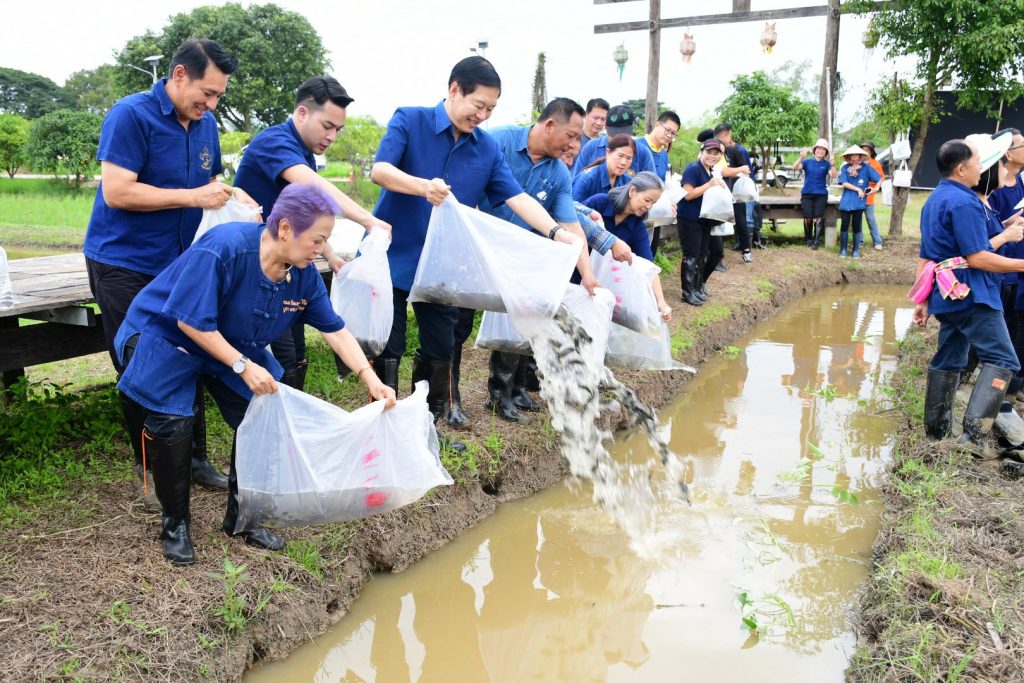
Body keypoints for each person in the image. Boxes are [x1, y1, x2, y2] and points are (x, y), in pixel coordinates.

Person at [114, 183, 397, 565]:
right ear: (284, 229)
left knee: (262, 413)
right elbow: (192, 323)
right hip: (169, 334)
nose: (322, 249)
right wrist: (243, 366)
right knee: (174, 424)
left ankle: (242, 518)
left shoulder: (303, 274)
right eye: (317, 240)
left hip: (228, 340)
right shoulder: (225, 249)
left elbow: (334, 328)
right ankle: (175, 524)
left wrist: (370, 378)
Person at [369, 57, 584, 451]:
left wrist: (555, 232)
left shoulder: (485, 147)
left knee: (440, 347)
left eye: (491, 110)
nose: (483, 116)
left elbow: (516, 197)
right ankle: (383, 433)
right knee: (389, 346)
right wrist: (421, 187)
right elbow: (380, 171)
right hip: (394, 256)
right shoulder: (410, 120)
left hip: (443, 267)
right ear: (454, 90)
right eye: (478, 106)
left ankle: (425, 430)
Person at [84, 39, 255, 503]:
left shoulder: (205, 125)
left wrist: (230, 195)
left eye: (219, 95)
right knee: (141, 362)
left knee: (189, 350)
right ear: (179, 74)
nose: (212, 103)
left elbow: (209, 183)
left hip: (179, 262)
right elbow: (117, 191)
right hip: (124, 262)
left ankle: (193, 460)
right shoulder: (130, 115)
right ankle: (151, 474)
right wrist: (194, 197)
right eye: (208, 92)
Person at [232, 76, 392, 390]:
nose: (332, 136)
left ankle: (290, 412)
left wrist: (330, 255)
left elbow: (308, 213)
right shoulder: (274, 142)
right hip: (253, 263)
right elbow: (313, 188)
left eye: (338, 130)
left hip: (286, 262)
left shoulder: (304, 153)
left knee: (296, 349)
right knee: (282, 350)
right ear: (303, 113)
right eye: (327, 126)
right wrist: (367, 220)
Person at [456, 97, 599, 424]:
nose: (575, 145)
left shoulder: (559, 172)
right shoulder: (499, 142)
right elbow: (469, 191)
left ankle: (508, 390)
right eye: (572, 136)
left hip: (524, 258)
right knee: (458, 323)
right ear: (550, 125)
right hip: (479, 248)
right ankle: (448, 399)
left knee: (528, 318)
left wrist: (587, 274)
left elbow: (571, 225)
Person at [915, 137, 1024, 457]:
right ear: (961, 169)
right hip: (972, 292)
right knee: (1004, 359)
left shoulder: (937, 198)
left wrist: (921, 300)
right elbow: (977, 257)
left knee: (950, 358)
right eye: (978, 162)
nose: (982, 168)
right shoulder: (965, 202)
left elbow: (928, 255)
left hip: (947, 293)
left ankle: (937, 432)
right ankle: (974, 439)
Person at [582, 171, 673, 322]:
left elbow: (648, 266)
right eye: (647, 200)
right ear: (632, 191)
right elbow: (573, 222)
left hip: (599, 283)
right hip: (577, 272)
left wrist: (661, 302)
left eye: (653, 203)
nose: (649, 207)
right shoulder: (599, 203)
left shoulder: (637, 226)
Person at [678, 139, 728, 306]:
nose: (712, 156)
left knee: (701, 255)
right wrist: (709, 184)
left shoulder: (710, 171)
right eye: (709, 152)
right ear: (702, 151)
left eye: (716, 153)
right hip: (689, 219)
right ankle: (687, 292)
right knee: (691, 255)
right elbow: (688, 195)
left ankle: (697, 287)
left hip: (704, 219)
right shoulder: (693, 169)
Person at [572, 104, 655, 176]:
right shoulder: (590, 148)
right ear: (605, 127)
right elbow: (576, 179)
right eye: (614, 135)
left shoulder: (643, 153)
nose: (619, 140)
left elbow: (651, 185)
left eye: (623, 135)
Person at [714, 123, 754, 264]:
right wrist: (738, 170)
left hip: (735, 191)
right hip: (718, 192)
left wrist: (738, 171)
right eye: (730, 135)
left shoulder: (735, 150)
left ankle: (746, 250)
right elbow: (722, 170)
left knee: (741, 221)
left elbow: (745, 171)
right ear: (726, 134)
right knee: (718, 222)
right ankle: (717, 256)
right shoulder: (714, 149)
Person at [836, 145, 882, 258]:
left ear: (860, 156)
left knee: (857, 226)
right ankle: (843, 250)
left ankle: (855, 251)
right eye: (851, 155)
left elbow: (879, 178)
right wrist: (858, 189)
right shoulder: (845, 168)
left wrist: (875, 189)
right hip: (846, 201)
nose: (854, 157)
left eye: (856, 154)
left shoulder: (866, 168)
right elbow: (844, 183)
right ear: (849, 157)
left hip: (859, 202)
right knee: (844, 225)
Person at [793, 138, 837, 249]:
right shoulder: (807, 162)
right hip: (807, 193)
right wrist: (801, 158)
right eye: (818, 149)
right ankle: (808, 239)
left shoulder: (826, 164)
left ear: (825, 152)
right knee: (808, 217)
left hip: (821, 194)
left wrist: (833, 164)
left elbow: (834, 175)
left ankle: (816, 241)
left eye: (823, 150)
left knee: (818, 217)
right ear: (815, 150)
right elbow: (794, 167)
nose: (820, 151)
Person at [572, 134, 637, 202]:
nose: (623, 162)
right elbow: (572, 207)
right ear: (608, 152)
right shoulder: (586, 179)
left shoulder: (628, 182)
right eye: (620, 156)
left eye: (629, 158)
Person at [636, 111, 680, 181]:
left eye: (673, 133)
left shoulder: (664, 154)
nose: (669, 135)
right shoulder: (636, 146)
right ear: (657, 124)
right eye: (668, 130)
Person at [860, 141, 886, 250]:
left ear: (871, 152)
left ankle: (877, 241)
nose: (865, 152)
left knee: (871, 219)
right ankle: (859, 241)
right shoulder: (857, 163)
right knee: (857, 220)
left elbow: (881, 178)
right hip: (857, 196)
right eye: (863, 150)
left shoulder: (875, 164)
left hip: (869, 197)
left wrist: (875, 187)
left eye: (867, 150)